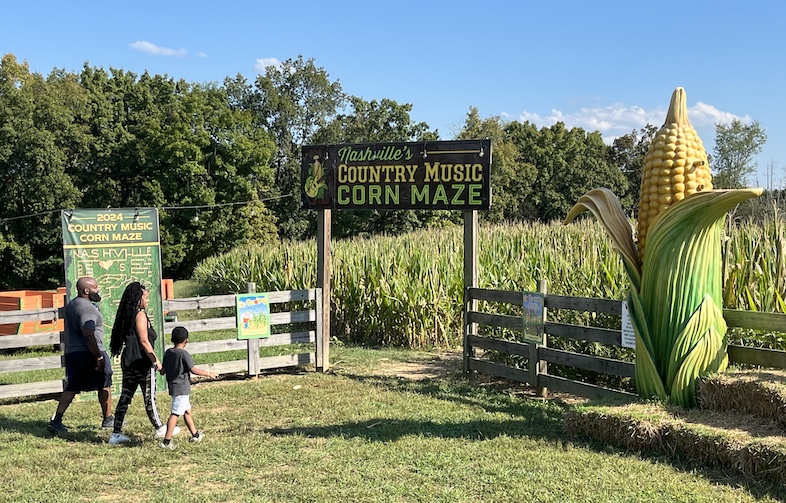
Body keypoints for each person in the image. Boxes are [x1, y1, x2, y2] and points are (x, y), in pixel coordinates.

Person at [107, 281, 179, 444]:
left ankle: (116, 433)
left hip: (128, 360)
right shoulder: (139, 315)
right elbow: (144, 341)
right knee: (149, 397)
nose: (147, 301)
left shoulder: (127, 315)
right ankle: (160, 428)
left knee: (125, 396)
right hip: (141, 361)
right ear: (138, 298)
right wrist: (156, 361)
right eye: (145, 298)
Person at [48, 277, 114, 434]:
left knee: (73, 386)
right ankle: (108, 418)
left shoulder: (72, 305)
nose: (98, 291)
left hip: (73, 351)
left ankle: (56, 420)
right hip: (89, 351)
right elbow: (88, 333)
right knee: (105, 382)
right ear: (86, 290)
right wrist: (98, 357)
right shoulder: (87, 309)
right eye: (96, 288)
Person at [159, 326, 216, 449]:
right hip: (182, 389)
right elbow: (193, 369)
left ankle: (195, 435)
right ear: (186, 340)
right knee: (175, 414)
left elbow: (163, 371)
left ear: (172, 339)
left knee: (187, 411)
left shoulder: (168, 353)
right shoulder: (184, 354)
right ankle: (166, 442)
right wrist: (208, 373)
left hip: (174, 387)